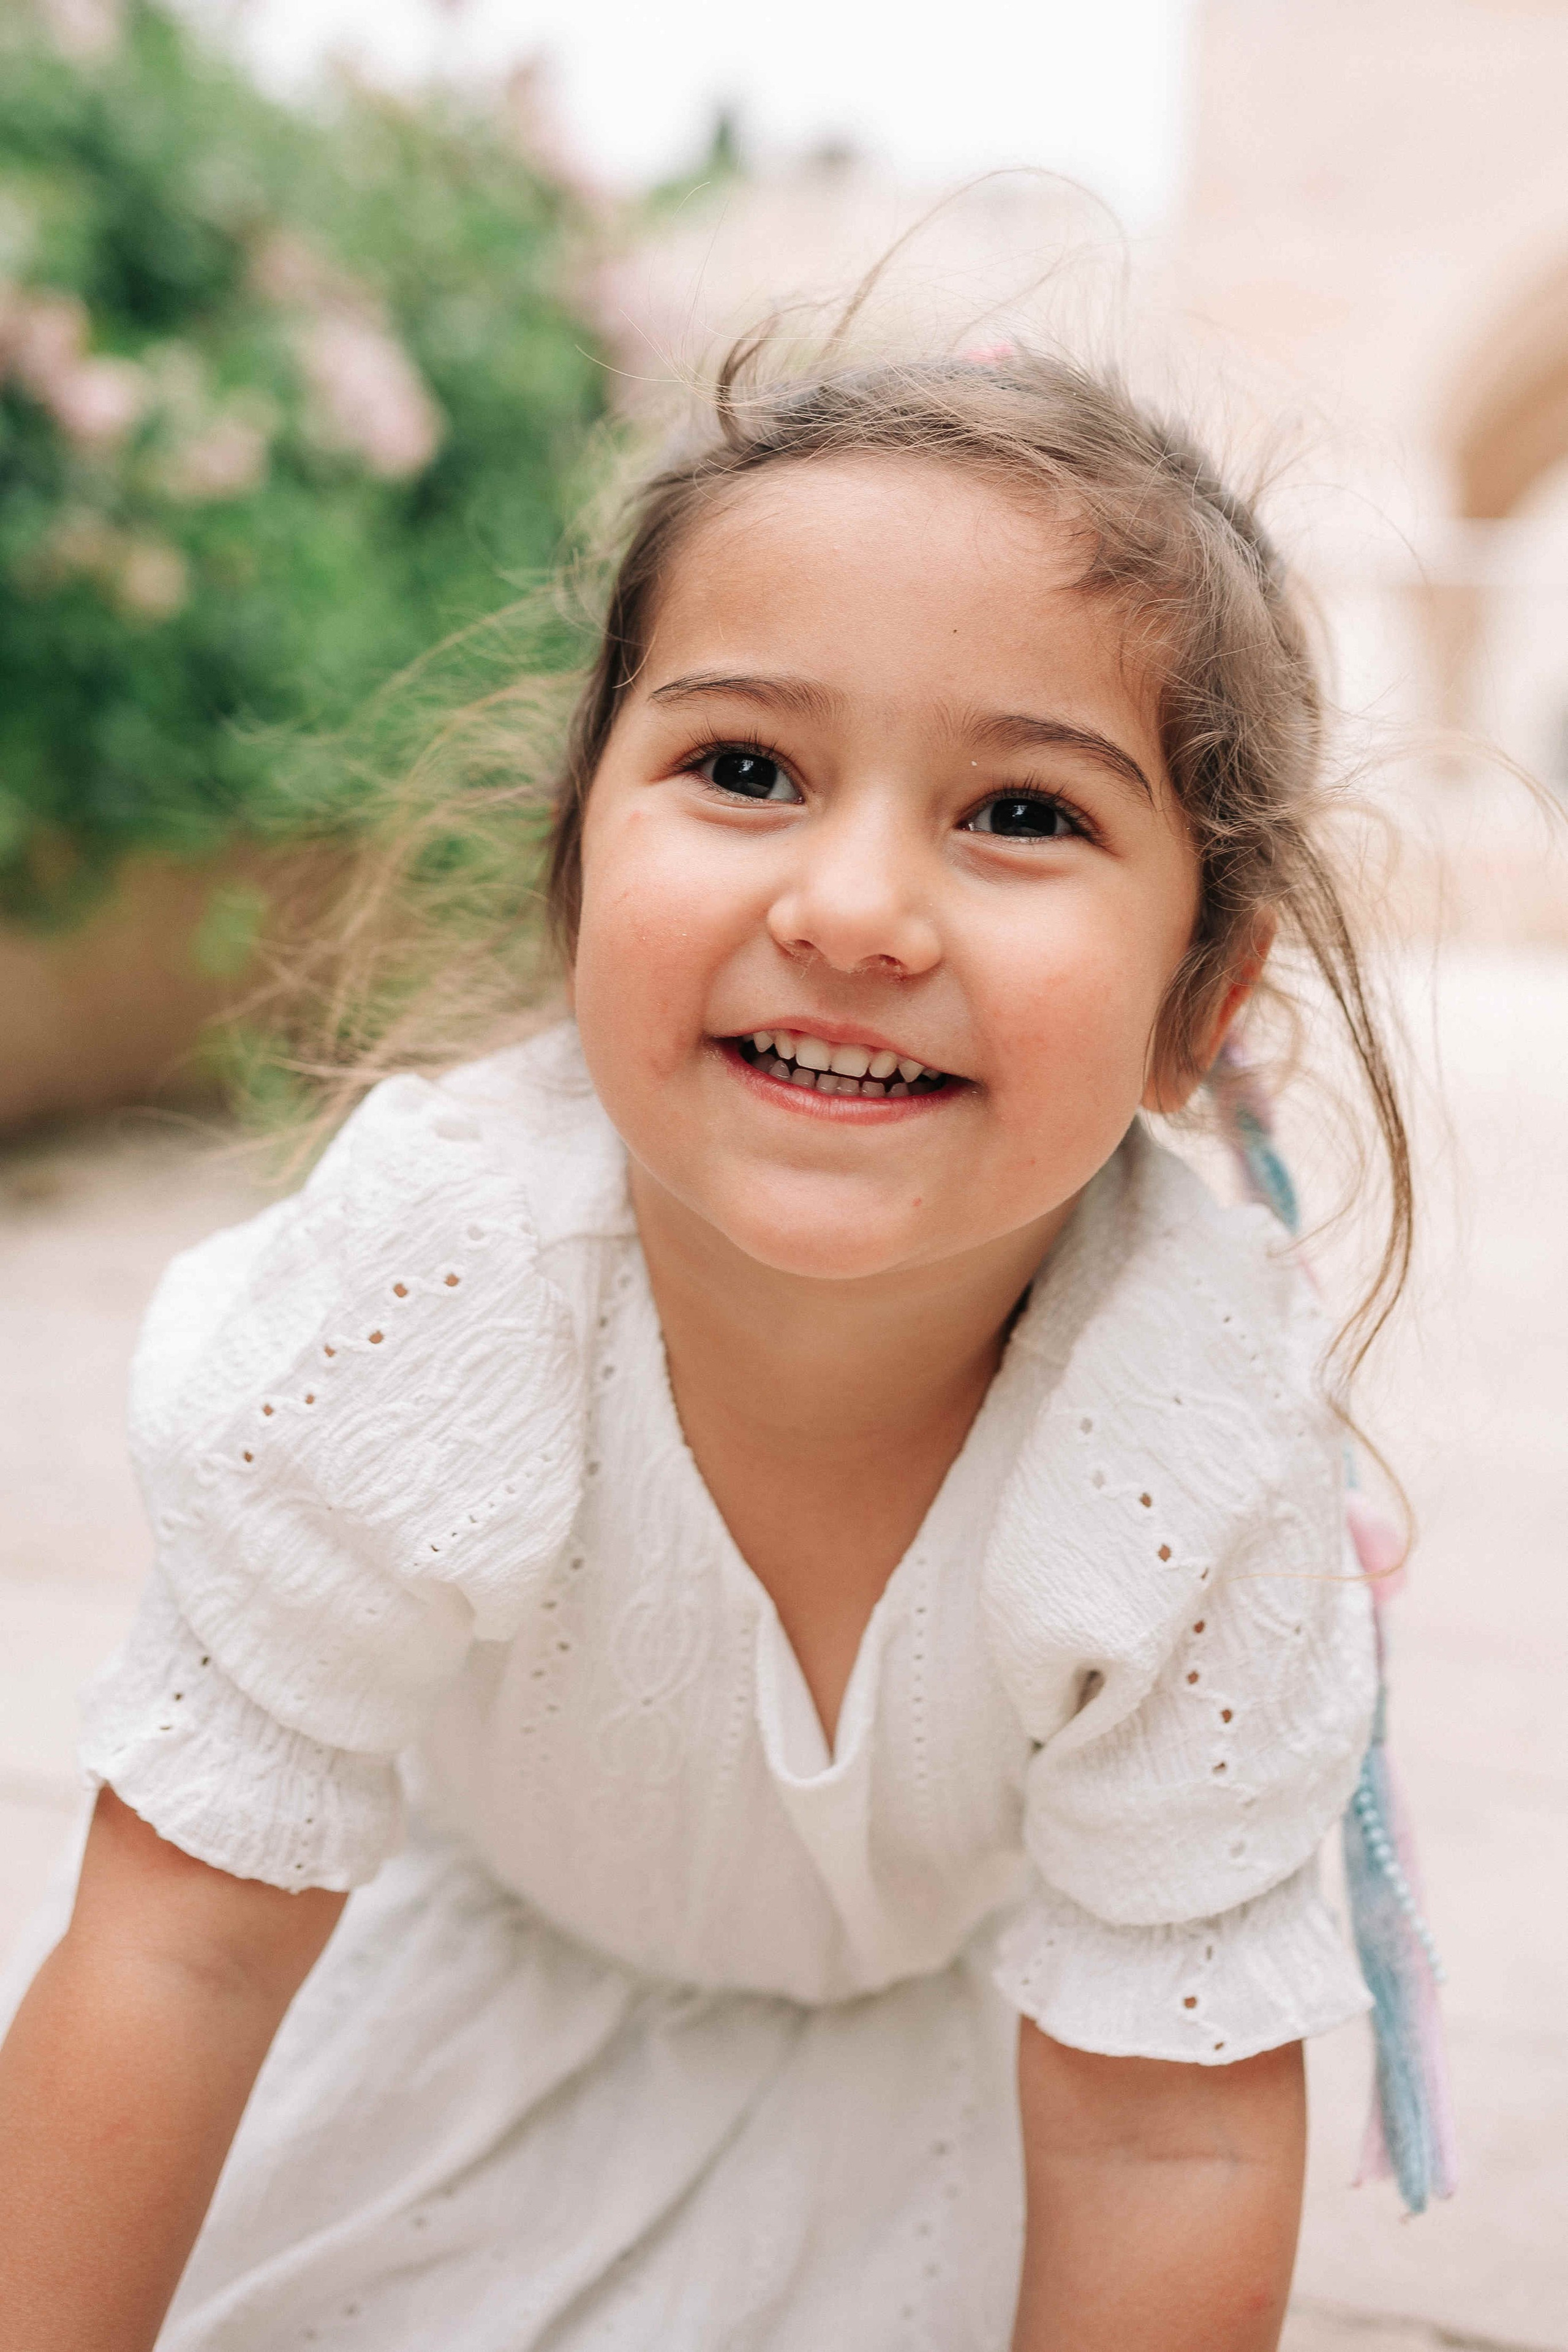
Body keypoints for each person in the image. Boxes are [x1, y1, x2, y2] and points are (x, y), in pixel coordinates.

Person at [0, 342, 1416, 2350]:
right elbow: (181, 1952)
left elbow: (1160, 2145)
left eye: (1020, 810)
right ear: (581, 854)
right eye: (746, 771)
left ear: (1204, 1001)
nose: (854, 909)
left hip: (959, 2114)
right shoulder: (446, 1278)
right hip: (452, 2038)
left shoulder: (1193, 1437)